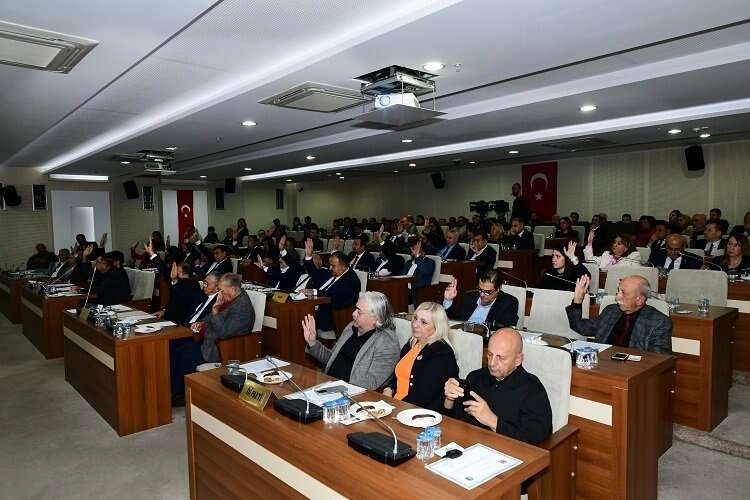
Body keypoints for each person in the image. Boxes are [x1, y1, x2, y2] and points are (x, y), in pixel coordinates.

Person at [444, 328, 552, 445]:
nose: (492, 363)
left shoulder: (532, 389)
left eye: (501, 358)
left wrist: (493, 421)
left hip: (507, 451)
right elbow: (453, 419)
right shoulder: (476, 377)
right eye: (490, 354)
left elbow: (535, 440)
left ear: (518, 359)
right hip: (469, 443)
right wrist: (449, 399)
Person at [171, 273, 254, 402]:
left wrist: (215, 311)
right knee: (178, 348)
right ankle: (175, 390)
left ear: (232, 289)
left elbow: (223, 333)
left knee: (184, 355)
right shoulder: (232, 298)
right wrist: (202, 322)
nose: (219, 293)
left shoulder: (242, 308)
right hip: (211, 341)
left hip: (223, 348)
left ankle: (180, 396)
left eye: (221, 290)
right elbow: (213, 316)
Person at [303, 292, 400, 390]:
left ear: (375, 318)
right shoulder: (351, 328)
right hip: (330, 385)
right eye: (355, 309)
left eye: (359, 312)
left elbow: (372, 382)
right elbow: (332, 359)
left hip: (354, 393)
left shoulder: (387, 342)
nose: (353, 314)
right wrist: (313, 343)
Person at [566, 275, 672, 354]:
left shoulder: (659, 322)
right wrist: (577, 301)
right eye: (618, 291)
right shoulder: (611, 311)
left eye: (623, 293)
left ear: (639, 300)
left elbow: (659, 359)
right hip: (601, 364)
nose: (617, 297)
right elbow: (581, 327)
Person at [383, 302, 458, 412]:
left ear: (437, 327)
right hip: (396, 405)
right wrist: (389, 388)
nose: (415, 325)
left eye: (423, 322)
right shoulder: (412, 343)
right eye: (415, 318)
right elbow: (397, 375)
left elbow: (422, 397)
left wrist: (393, 407)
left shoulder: (442, 353)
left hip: (417, 413)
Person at [145, 240, 204, 325]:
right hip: (169, 317)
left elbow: (181, 302)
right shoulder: (179, 282)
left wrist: (174, 280)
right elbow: (174, 302)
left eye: (177, 271)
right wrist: (164, 311)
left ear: (184, 273)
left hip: (180, 323)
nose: (173, 273)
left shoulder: (192, 285)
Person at [302, 251, 360, 336]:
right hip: (315, 304)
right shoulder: (332, 272)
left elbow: (334, 294)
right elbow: (314, 274)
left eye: (333, 266)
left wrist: (313, 292)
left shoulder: (350, 279)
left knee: (299, 315)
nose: (330, 268)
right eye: (330, 265)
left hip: (331, 313)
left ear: (343, 266)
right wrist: (308, 256)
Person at [443, 269, 519, 330]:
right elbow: (453, 319)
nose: (482, 294)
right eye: (480, 289)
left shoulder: (509, 303)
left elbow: (506, 329)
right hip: (463, 335)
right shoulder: (469, 297)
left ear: (498, 289)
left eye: (487, 292)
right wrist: (448, 300)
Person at [400, 238, 435, 303]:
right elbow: (401, 276)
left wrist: (417, 256)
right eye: (412, 248)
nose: (413, 250)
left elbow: (426, 271)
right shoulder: (409, 262)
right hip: (404, 289)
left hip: (418, 291)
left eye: (416, 249)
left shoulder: (429, 262)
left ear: (424, 251)